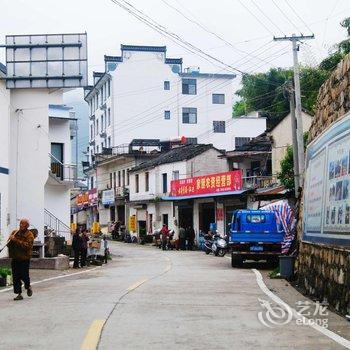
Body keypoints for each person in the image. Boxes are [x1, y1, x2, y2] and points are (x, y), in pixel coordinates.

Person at [7, 218, 34, 301]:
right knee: (16, 276)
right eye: (20, 224)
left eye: (23, 224)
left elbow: (28, 246)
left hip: (24, 258)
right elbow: (9, 245)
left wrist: (16, 241)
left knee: (24, 275)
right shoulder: (15, 232)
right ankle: (19, 294)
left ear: (27, 226)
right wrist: (11, 240)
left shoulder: (30, 235)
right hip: (15, 257)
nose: (21, 226)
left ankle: (28, 286)